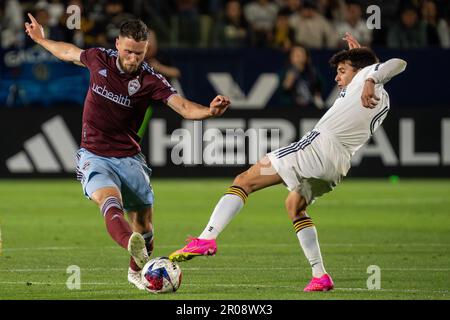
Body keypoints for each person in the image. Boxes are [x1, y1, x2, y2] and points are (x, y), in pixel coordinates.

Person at [169, 33, 407, 292]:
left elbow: (398, 62)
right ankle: (320, 276)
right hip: (338, 165)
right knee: (294, 205)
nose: (337, 78)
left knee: (244, 180)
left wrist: (370, 74)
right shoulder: (381, 97)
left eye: (341, 71)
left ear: (361, 71)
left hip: (315, 149)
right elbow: (378, 68)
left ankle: (207, 238)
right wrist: (365, 62)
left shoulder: (365, 78)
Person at [24, 14, 230, 290]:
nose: (134, 59)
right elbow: (68, 52)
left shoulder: (150, 80)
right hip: (94, 155)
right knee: (109, 202)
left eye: (140, 53)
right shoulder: (98, 59)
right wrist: (41, 39)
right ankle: (129, 243)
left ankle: (136, 270)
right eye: (129, 51)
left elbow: (182, 106)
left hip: (130, 159)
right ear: (118, 43)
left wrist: (209, 111)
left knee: (144, 226)